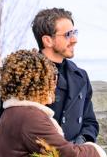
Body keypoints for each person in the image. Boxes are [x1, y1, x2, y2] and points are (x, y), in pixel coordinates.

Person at [31, 8, 99, 144]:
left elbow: (90, 121)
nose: (74, 40)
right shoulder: (27, 76)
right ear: (48, 40)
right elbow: (18, 126)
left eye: (74, 33)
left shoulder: (80, 76)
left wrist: (82, 140)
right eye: (68, 34)